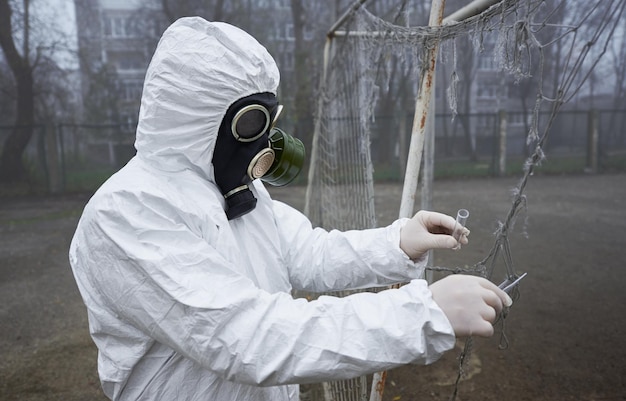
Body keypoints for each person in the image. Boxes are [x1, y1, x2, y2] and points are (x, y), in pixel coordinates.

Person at [69, 16, 512, 401]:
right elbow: (249, 337)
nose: (267, 144)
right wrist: (422, 314)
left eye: (269, 121)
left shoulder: (230, 188)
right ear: (198, 119)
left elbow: (309, 254)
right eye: (253, 123)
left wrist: (396, 243)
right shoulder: (126, 214)